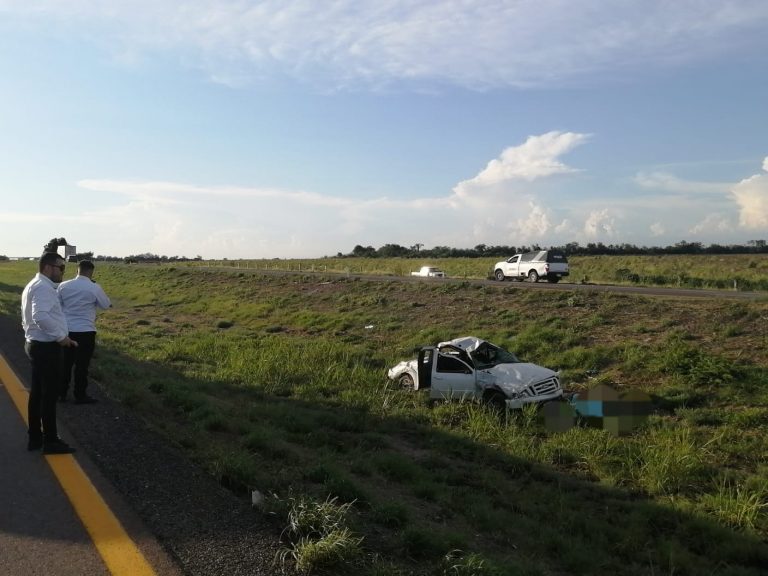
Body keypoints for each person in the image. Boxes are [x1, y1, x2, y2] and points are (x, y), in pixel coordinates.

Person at [21, 251, 78, 454]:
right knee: (48, 396)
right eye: (61, 267)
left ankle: (35, 437)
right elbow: (40, 316)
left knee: (37, 394)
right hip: (46, 348)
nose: (63, 271)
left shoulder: (34, 285)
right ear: (48, 267)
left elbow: (35, 317)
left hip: (36, 345)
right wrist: (60, 337)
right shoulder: (43, 288)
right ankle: (51, 441)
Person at [58, 260, 111, 404]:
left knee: (65, 364)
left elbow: (57, 305)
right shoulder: (94, 287)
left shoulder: (63, 286)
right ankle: (80, 395)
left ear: (77, 270)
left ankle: (61, 393)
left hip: (66, 331)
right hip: (86, 331)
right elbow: (106, 305)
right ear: (91, 272)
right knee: (82, 366)